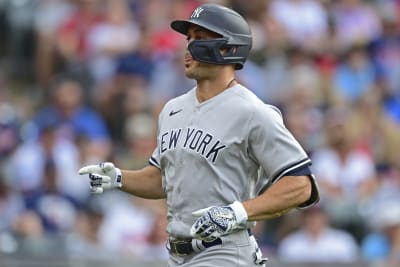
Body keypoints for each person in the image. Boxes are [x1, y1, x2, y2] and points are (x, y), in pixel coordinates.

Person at [78, 3, 319, 266]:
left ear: (228, 48)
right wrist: (121, 178)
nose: (188, 47)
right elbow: (163, 179)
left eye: (200, 39)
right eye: (188, 38)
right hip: (176, 253)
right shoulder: (172, 109)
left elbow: (300, 185)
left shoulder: (252, 111)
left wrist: (238, 212)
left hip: (225, 251)